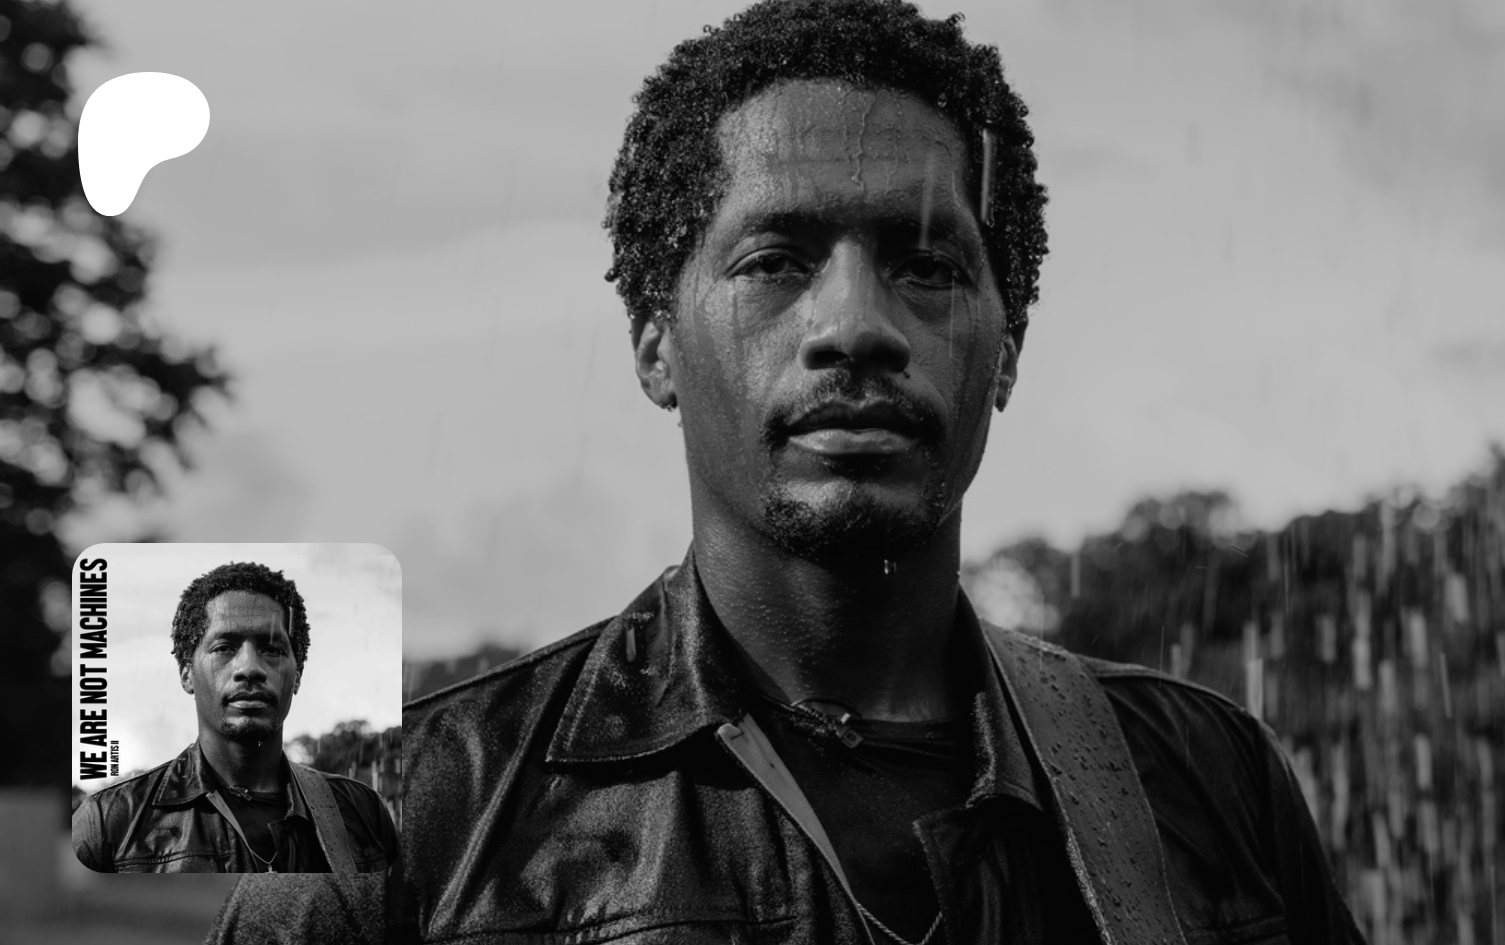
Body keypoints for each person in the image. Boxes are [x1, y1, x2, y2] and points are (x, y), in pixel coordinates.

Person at [213, 0, 1366, 941]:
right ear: (654, 344)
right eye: (774, 260)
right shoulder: (402, 820)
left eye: (927, 266)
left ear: (1006, 348)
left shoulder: (1203, 779)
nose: (855, 325)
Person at [72, 561, 398, 873]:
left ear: (297, 676)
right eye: (224, 647)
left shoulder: (362, 811)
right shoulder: (110, 822)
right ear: (186, 673)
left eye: (272, 649)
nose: (249, 668)